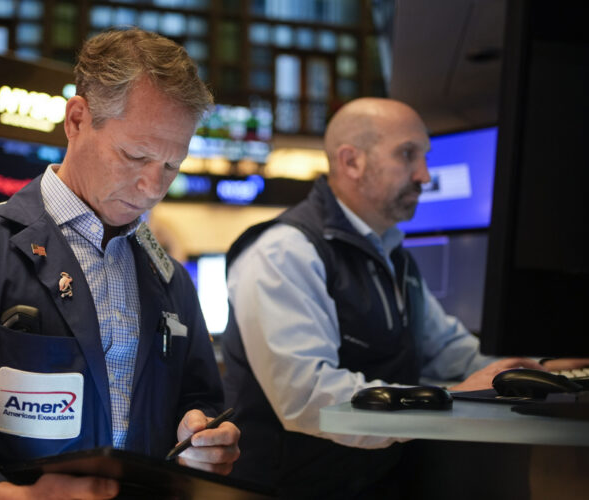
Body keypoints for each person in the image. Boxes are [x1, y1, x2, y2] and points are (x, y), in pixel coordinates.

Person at [0, 28, 239, 500]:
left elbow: (199, 402)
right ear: (76, 119)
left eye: (172, 165)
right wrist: (9, 497)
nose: (153, 187)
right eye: (135, 155)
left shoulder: (168, 278)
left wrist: (204, 441)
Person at [221, 97, 586, 499]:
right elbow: (308, 397)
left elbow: (448, 350)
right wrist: (448, 397)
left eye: (425, 157)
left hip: (372, 482)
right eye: (408, 155)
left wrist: (543, 369)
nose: (424, 175)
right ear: (351, 161)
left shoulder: (393, 256)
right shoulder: (284, 252)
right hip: (289, 490)